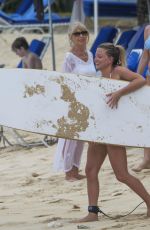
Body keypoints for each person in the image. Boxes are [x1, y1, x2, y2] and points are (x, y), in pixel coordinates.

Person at [77, 43, 150, 222]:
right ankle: (92, 212)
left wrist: (119, 93)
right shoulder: (97, 77)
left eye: (100, 56)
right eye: (96, 55)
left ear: (110, 59)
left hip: (115, 131)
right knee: (90, 170)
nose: (96, 59)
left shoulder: (118, 71)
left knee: (122, 175)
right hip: (99, 130)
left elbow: (140, 79)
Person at [53, 21, 96, 181]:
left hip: (88, 101)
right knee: (70, 138)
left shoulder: (91, 54)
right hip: (74, 102)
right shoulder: (69, 57)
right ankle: (68, 171)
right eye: (77, 33)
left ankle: (76, 169)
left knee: (81, 137)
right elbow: (64, 81)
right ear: (71, 37)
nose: (81, 36)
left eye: (84, 32)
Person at [132, 25, 150, 172]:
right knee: (147, 118)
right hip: (149, 78)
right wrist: (136, 77)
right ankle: (147, 158)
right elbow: (145, 55)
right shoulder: (148, 30)